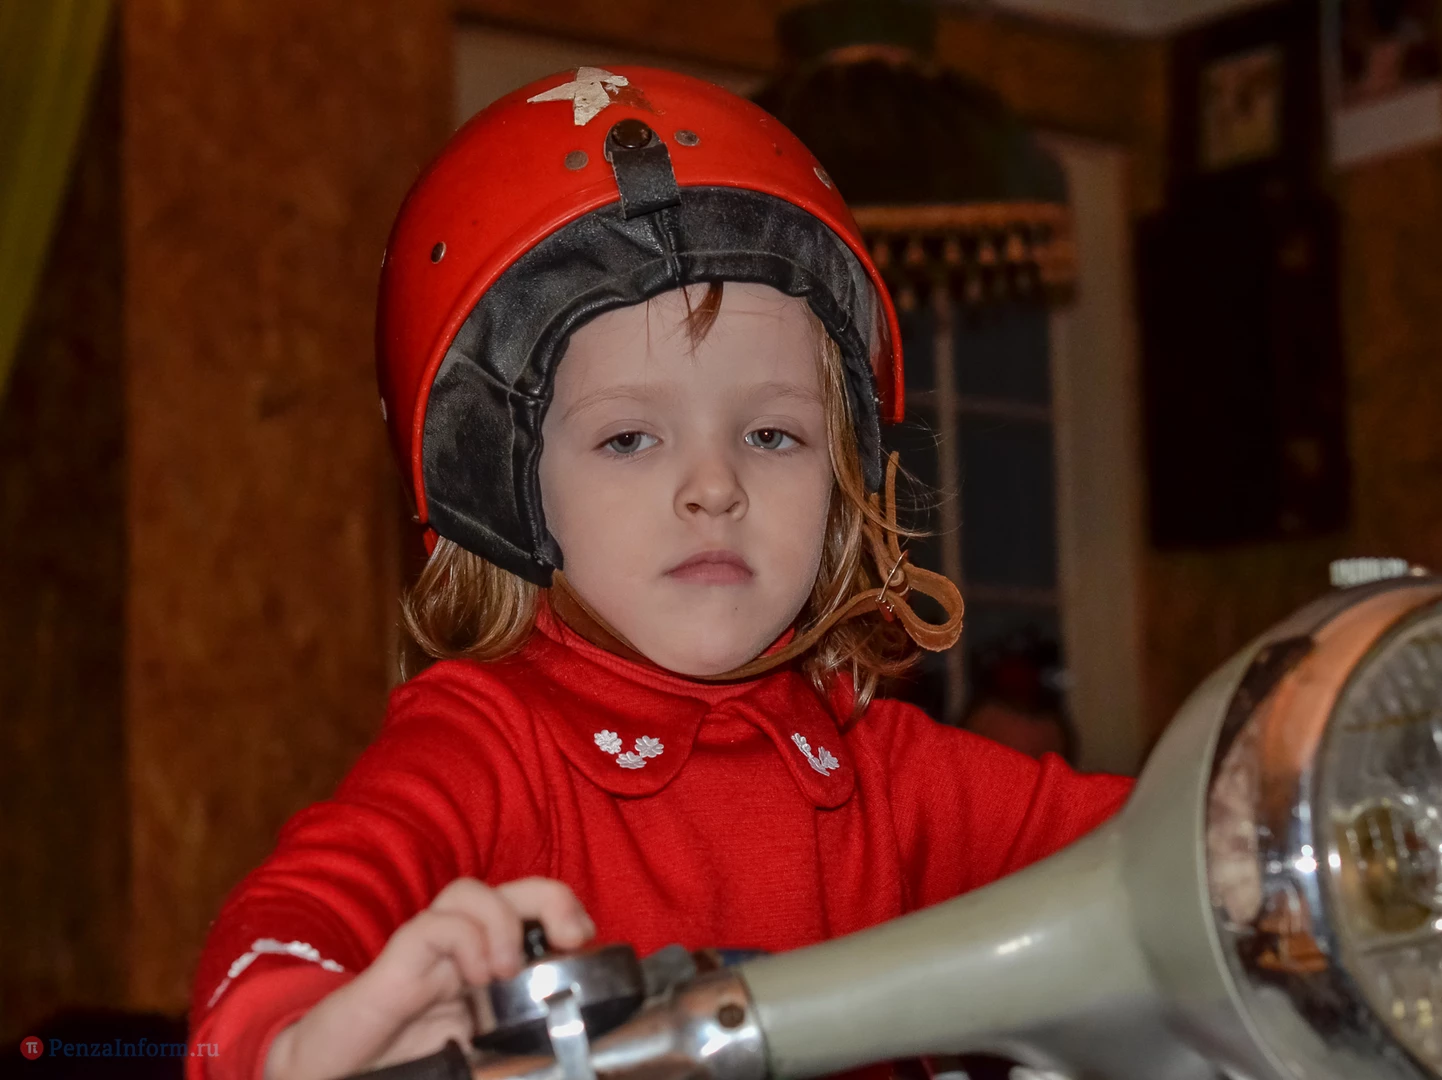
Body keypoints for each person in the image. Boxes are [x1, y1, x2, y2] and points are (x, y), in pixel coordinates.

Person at [187, 67, 1133, 1080]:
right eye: (630, 438)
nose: (715, 487)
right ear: (503, 492)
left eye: (772, 434)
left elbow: (1170, 848)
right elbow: (296, 918)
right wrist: (290, 1037)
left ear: (843, 477)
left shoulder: (888, 773)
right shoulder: (488, 749)